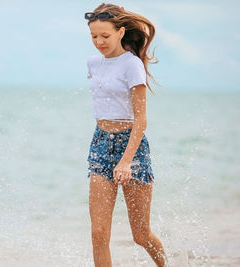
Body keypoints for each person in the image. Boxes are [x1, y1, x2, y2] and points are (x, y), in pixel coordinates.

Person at [84, 3, 169, 267]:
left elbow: (140, 120)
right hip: (100, 144)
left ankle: (166, 264)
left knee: (141, 235)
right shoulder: (92, 63)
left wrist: (125, 161)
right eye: (94, 36)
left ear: (121, 32)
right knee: (99, 234)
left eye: (105, 36)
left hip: (132, 146)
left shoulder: (132, 65)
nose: (99, 42)